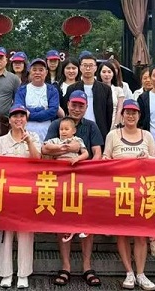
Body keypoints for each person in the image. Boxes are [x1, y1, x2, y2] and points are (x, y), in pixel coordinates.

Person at [43, 90, 104, 287]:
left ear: (86, 107)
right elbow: (45, 150)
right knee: (63, 223)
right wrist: (66, 149)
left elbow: (97, 153)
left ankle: (87, 266)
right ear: (68, 105)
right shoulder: (57, 124)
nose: (77, 109)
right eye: (74, 105)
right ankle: (66, 266)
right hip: (61, 182)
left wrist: (88, 168)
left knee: (87, 223)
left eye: (81, 105)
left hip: (85, 182)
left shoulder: (91, 126)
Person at [102, 100, 155, 291]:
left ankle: (141, 273)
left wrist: (147, 159)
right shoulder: (112, 135)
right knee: (123, 233)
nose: (131, 116)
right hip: (120, 191)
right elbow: (105, 157)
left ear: (139, 116)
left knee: (141, 235)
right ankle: (129, 272)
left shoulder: (147, 135)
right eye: (127, 113)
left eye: (134, 113)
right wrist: (108, 161)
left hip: (142, 192)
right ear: (122, 115)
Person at [0, 105, 41, 289]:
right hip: (6, 193)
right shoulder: (1, 141)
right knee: (6, 234)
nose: (18, 119)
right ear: (9, 120)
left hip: (27, 194)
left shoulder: (34, 137)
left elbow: (38, 161)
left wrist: (29, 142)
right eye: (15, 116)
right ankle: (6, 274)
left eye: (22, 116)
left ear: (26, 119)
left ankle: (23, 274)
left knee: (25, 234)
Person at [61, 54, 113, 140]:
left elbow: (109, 113)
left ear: (96, 68)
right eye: (85, 65)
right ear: (80, 67)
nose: (88, 68)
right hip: (77, 129)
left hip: (99, 130)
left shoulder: (105, 89)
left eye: (91, 65)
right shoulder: (72, 88)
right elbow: (66, 110)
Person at [14, 58, 59, 139]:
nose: (37, 73)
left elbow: (53, 111)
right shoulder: (22, 90)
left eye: (41, 70)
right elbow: (19, 110)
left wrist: (30, 114)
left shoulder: (52, 90)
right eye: (34, 70)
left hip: (47, 133)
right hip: (25, 133)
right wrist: (42, 109)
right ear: (30, 72)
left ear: (46, 72)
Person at [99, 61, 126, 127]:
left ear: (113, 73)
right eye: (104, 72)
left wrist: (116, 124)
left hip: (113, 124)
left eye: (109, 72)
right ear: (99, 73)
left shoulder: (118, 90)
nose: (106, 74)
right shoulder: (95, 89)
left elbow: (119, 109)